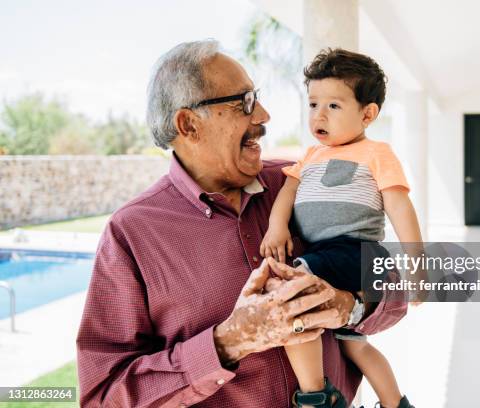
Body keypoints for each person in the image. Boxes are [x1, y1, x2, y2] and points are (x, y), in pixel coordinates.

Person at [76, 39, 407, 407]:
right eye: (244, 103)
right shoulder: (132, 233)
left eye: (258, 98)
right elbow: (103, 397)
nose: (264, 115)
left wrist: (351, 306)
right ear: (188, 125)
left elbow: (394, 282)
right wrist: (232, 340)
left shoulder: (300, 184)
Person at [260, 48, 422, 408]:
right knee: (353, 345)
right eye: (313, 104)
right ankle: (396, 403)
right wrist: (276, 228)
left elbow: (399, 206)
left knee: (290, 293)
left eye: (333, 106)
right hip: (326, 255)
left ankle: (316, 395)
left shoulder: (376, 153)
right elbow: (287, 192)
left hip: (356, 251)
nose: (319, 114)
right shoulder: (310, 156)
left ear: (367, 114)